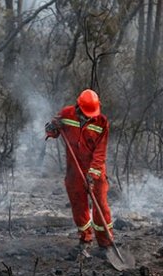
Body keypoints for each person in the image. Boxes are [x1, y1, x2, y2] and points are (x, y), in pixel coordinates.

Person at [45, 89, 113, 250]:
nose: (89, 116)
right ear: (78, 107)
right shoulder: (67, 114)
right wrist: (52, 127)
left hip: (95, 171)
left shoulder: (102, 122)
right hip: (74, 170)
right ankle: (85, 239)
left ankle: (106, 243)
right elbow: (53, 131)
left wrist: (93, 174)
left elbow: (100, 152)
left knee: (101, 206)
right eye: (86, 113)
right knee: (78, 205)